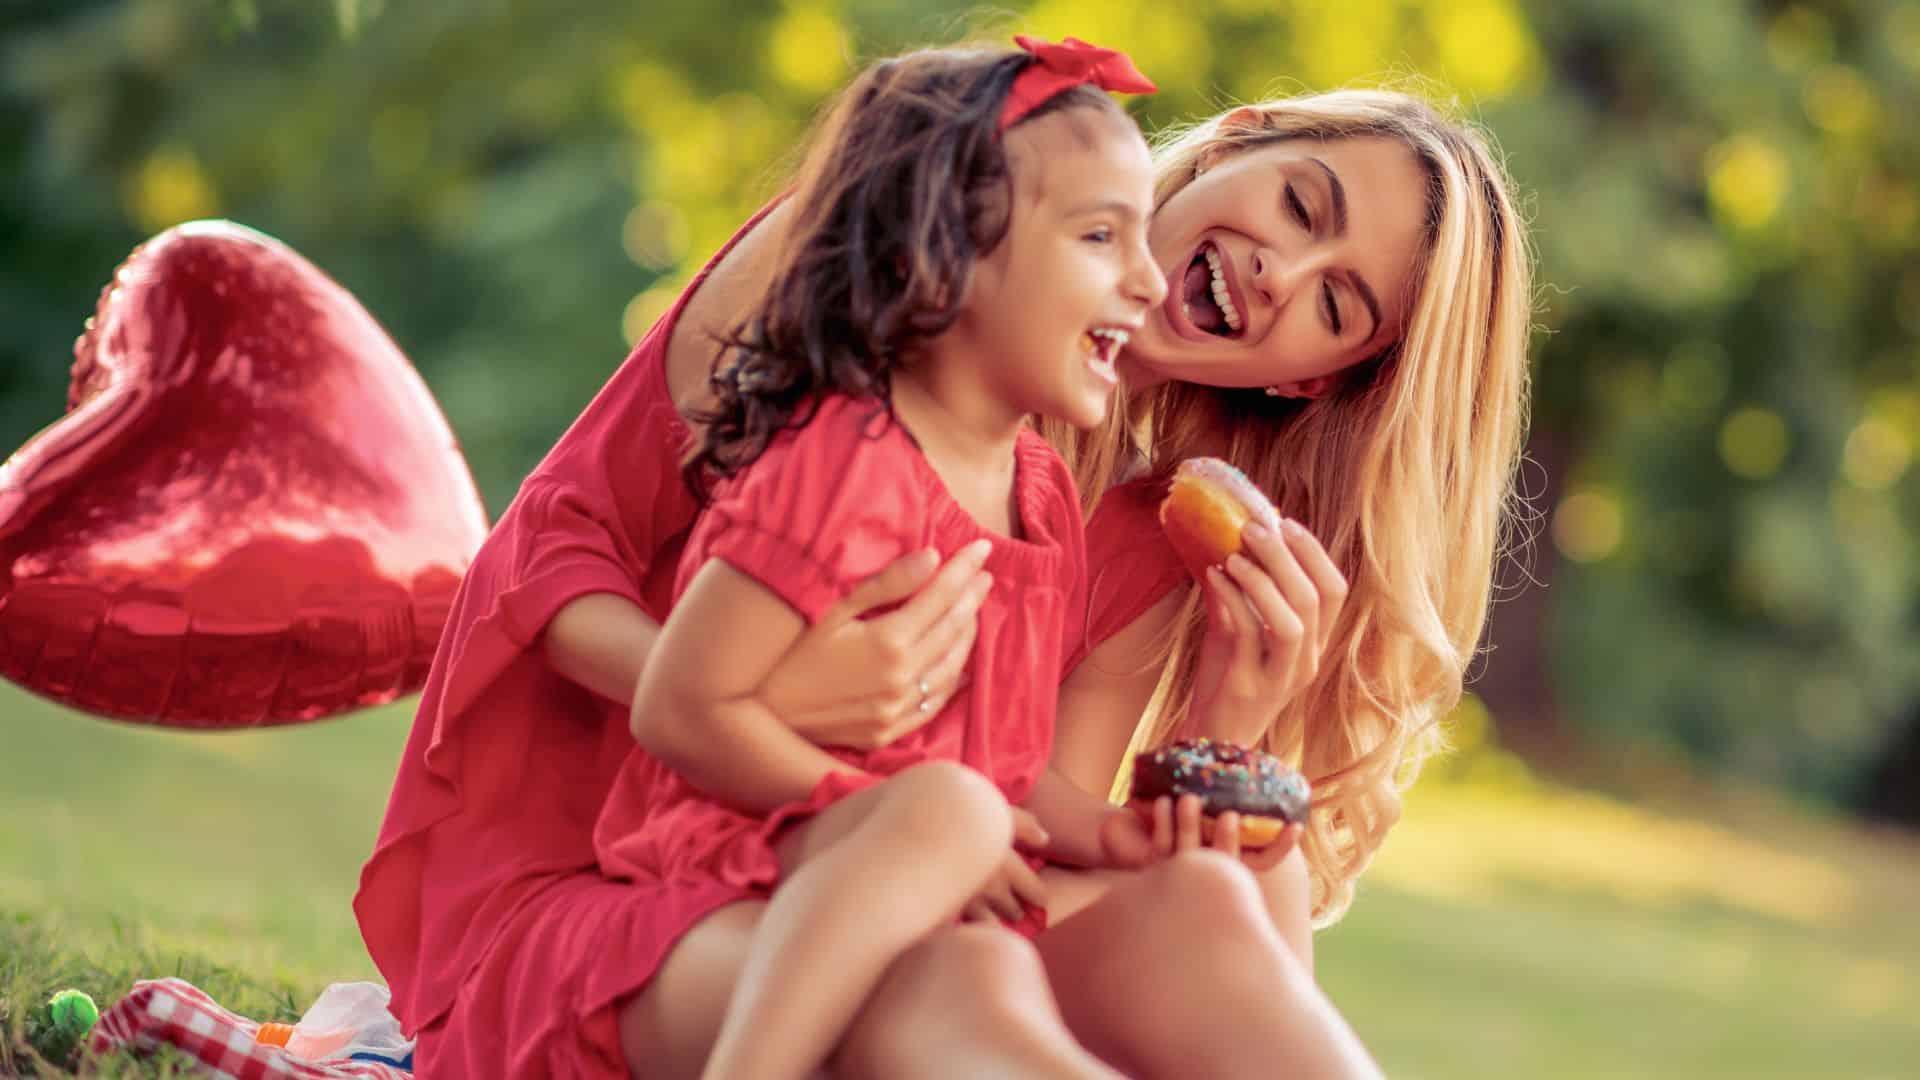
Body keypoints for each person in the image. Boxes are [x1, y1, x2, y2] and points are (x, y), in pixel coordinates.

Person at [358, 44, 1529, 1080]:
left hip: (906, 898)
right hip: (624, 875)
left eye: (1337, 304)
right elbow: (554, 555)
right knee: (948, 967)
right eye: (1298, 205)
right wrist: (760, 695)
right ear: (1233, 143)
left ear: (1310, 380)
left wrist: (1225, 723)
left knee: (1235, 889)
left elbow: (1025, 826)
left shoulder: (1118, 530)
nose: (1283, 271)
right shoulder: (876, 268)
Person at [588, 38, 1169, 1080]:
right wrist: (906, 820)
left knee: (1154, 892)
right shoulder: (844, 463)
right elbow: (679, 708)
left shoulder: (1039, 496)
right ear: (944, 256)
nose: (1150, 279)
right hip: (729, 885)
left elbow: (1006, 756)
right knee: (951, 809)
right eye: (1099, 236)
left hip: (904, 899)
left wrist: (1107, 833)